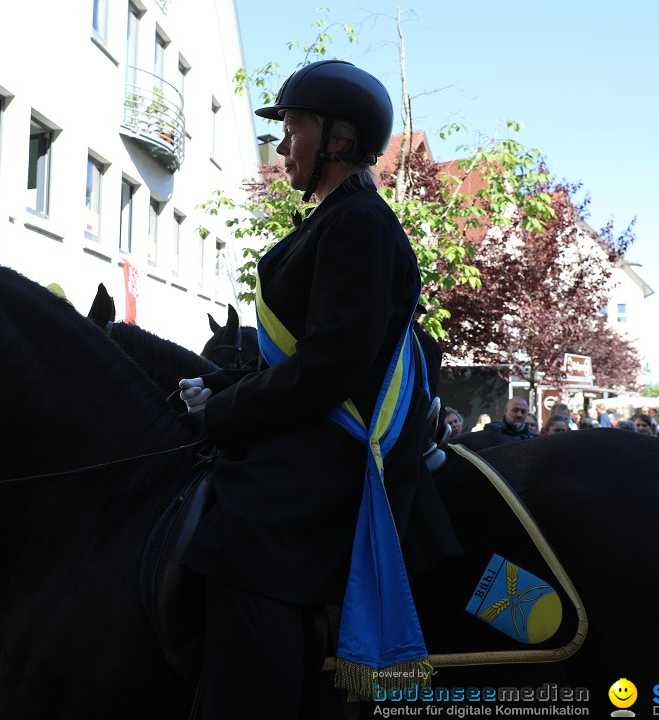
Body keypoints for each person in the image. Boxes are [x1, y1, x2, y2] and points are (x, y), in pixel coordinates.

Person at [176, 60, 460, 717]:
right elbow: (302, 352)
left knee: (244, 543)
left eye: (294, 130)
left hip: (340, 449)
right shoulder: (334, 219)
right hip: (315, 429)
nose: (281, 147)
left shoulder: (358, 223)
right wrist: (217, 383)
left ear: (338, 139)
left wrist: (223, 411)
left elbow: (332, 365)